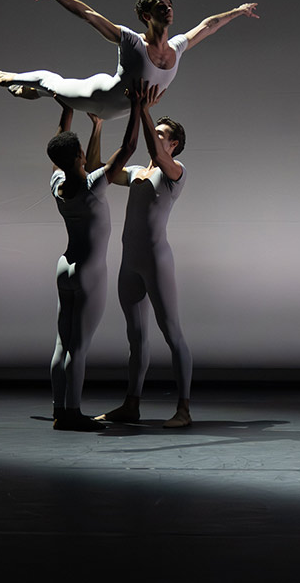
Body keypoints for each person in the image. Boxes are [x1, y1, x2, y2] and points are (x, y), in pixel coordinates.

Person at [0, 0, 258, 119]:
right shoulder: (132, 42)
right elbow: (88, 15)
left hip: (121, 113)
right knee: (50, 82)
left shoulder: (177, 47)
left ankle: (28, 93)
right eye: (160, 7)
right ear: (147, 16)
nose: (167, 9)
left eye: (169, 5)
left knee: (49, 93)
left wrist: (238, 11)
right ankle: (9, 78)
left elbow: (208, 26)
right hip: (97, 97)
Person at [45, 82, 146, 431]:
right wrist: (137, 107)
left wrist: (68, 108)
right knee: (79, 347)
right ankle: (71, 413)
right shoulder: (93, 186)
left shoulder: (58, 183)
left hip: (65, 266)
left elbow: (60, 147)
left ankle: (60, 409)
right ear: (78, 156)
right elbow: (129, 148)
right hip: (89, 271)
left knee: (62, 344)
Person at [94, 91, 193, 428]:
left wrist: (143, 109)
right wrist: (97, 126)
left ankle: (184, 409)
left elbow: (154, 150)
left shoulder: (175, 172)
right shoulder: (137, 171)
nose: (156, 136)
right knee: (135, 338)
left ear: (174, 144)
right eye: (156, 132)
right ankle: (131, 404)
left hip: (156, 262)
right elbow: (98, 171)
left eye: (162, 134)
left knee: (172, 333)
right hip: (130, 264)